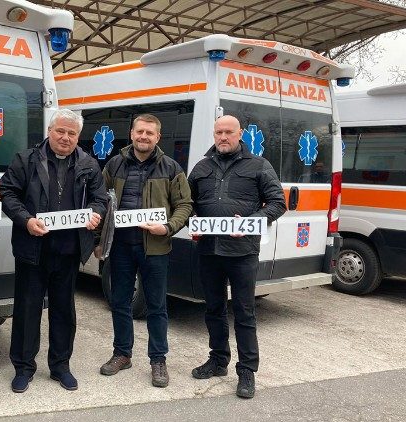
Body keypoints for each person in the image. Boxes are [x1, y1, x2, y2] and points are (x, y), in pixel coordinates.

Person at [0, 109, 108, 393]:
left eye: (72, 133)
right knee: (27, 309)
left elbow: (100, 198)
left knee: (63, 311)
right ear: (49, 131)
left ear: (78, 136)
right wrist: (26, 220)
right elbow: (7, 194)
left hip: (69, 250)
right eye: (61, 131)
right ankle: (24, 367)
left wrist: (95, 213)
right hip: (33, 248)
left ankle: (60, 366)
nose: (65, 137)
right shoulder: (26, 159)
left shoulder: (88, 164)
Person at [186, 115, 286, 399]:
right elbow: (187, 202)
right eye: (218, 132)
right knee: (214, 309)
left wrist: (252, 221)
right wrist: (192, 219)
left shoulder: (259, 165)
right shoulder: (201, 167)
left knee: (244, 312)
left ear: (240, 133)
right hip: (209, 250)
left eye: (228, 132)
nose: (223, 137)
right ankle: (218, 361)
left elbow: (278, 202)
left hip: (242, 253)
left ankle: (247, 371)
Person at [95, 114, 192, 387]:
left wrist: (168, 227)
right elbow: (100, 202)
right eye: (140, 131)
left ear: (158, 137)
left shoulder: (171, 168)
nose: (144, 137)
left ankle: (158, 360)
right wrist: (98, 240)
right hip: (120, 247)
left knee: (156, 306)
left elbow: (185, 204)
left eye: (150, 133)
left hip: (155, 248)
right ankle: (122, 354)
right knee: (120, 301)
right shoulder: (114, 164)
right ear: (132, 133)